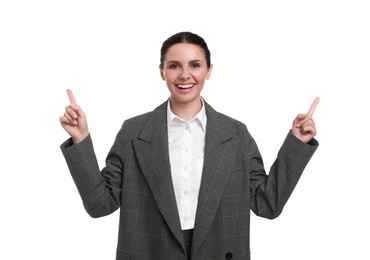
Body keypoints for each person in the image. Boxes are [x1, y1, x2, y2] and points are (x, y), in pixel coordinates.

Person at [60, 31, 319, 260]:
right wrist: (80, 138)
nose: (185, 75)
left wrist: (296, 143)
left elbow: (267, 204)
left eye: (195, 65)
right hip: (149, 250)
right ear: (162, 71)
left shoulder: (235, 134)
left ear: (208, 70)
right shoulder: (134, 132)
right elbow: (100, 205)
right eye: (174, 65)